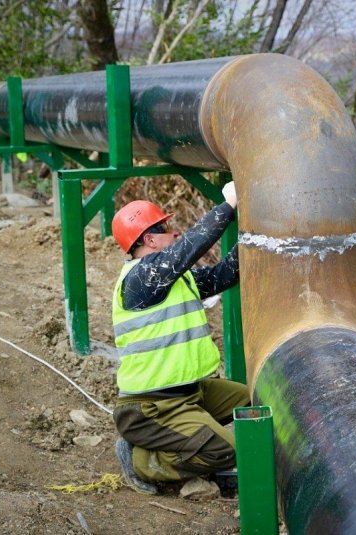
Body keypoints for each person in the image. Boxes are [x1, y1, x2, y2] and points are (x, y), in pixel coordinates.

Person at [110, 182, 249, 495]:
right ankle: (143, 460)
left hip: (189, 392)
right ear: (148, 239)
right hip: (151, 407)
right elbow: (189, 247)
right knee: (227, 450)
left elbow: (224, 274)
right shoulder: (140, 278)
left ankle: (188, 439)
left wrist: (256, 237)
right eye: (166, 228)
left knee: (256, 402)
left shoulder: (171, 279)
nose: (174, 233)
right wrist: (228, 205)